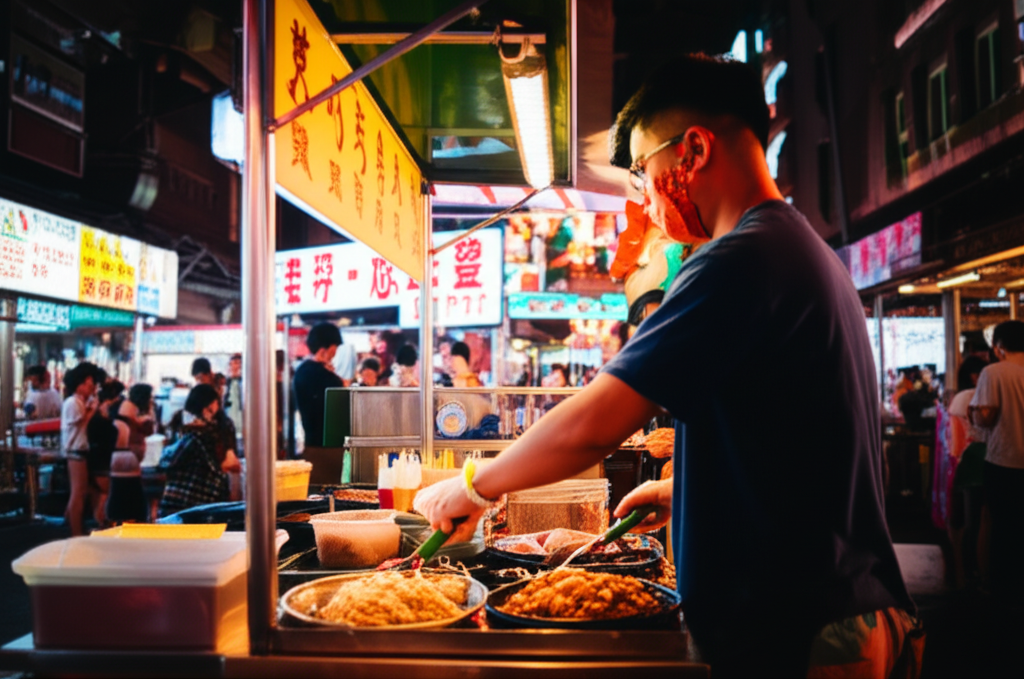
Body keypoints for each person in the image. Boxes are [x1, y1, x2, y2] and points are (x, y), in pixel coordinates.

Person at [415, 54, 920, 678]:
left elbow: (595, 423)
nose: (646, 198)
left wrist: (472, 486)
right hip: (836, 613)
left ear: (694, 151)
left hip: (801, 630)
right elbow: (797, 446)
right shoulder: (797, 248)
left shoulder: (741, 260)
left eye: (642, 172)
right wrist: (686, 492)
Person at [969, 320, 1024, 606]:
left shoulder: (994, 372)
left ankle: (1003, 594)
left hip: (1004, 461)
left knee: (1003, 529)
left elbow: (986, 416)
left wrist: (973, 413)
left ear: (998, 348)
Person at [158, 384, 239, 517]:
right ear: (211, 405)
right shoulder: (217, 428)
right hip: (206, 502)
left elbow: (167, 459)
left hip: (175, 501)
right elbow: (231, 463)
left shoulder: (180, 424)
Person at [85, 381, 131, 526]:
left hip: (92, 461)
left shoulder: (93, 417)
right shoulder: (111, 423)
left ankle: (100, 531)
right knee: (106, 500)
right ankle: (105, 531)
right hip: (105, 463)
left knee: (99, 500)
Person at [61, 363, 99, 536]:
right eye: (90, 385)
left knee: (80, 491)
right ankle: (76, 533)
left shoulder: (77, 402)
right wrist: (92, 409)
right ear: (81, 384)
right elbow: (80, 421)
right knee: (78, 493)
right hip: (75, 450)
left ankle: (69, 523)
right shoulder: (73, 402)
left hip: (78, 450)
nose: (92, 389)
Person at [293, 322, 344, 449]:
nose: (335, 354)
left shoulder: (300, 371)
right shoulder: (328, 378)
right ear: (326, 350)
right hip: (330, 449)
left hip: (310, 444)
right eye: (335, 349)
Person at [117, 383, 157, 459]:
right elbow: (150, 429)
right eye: (151, 397)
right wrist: (150, 411)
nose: (152, 400)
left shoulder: (135, 410)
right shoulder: (130, 409)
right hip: (130, 452)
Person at [224, 353, 243, 433]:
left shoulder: (245, 384)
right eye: (231, 364)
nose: (234, 367)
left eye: (238, 363)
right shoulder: (226, 384)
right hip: (231, 423)